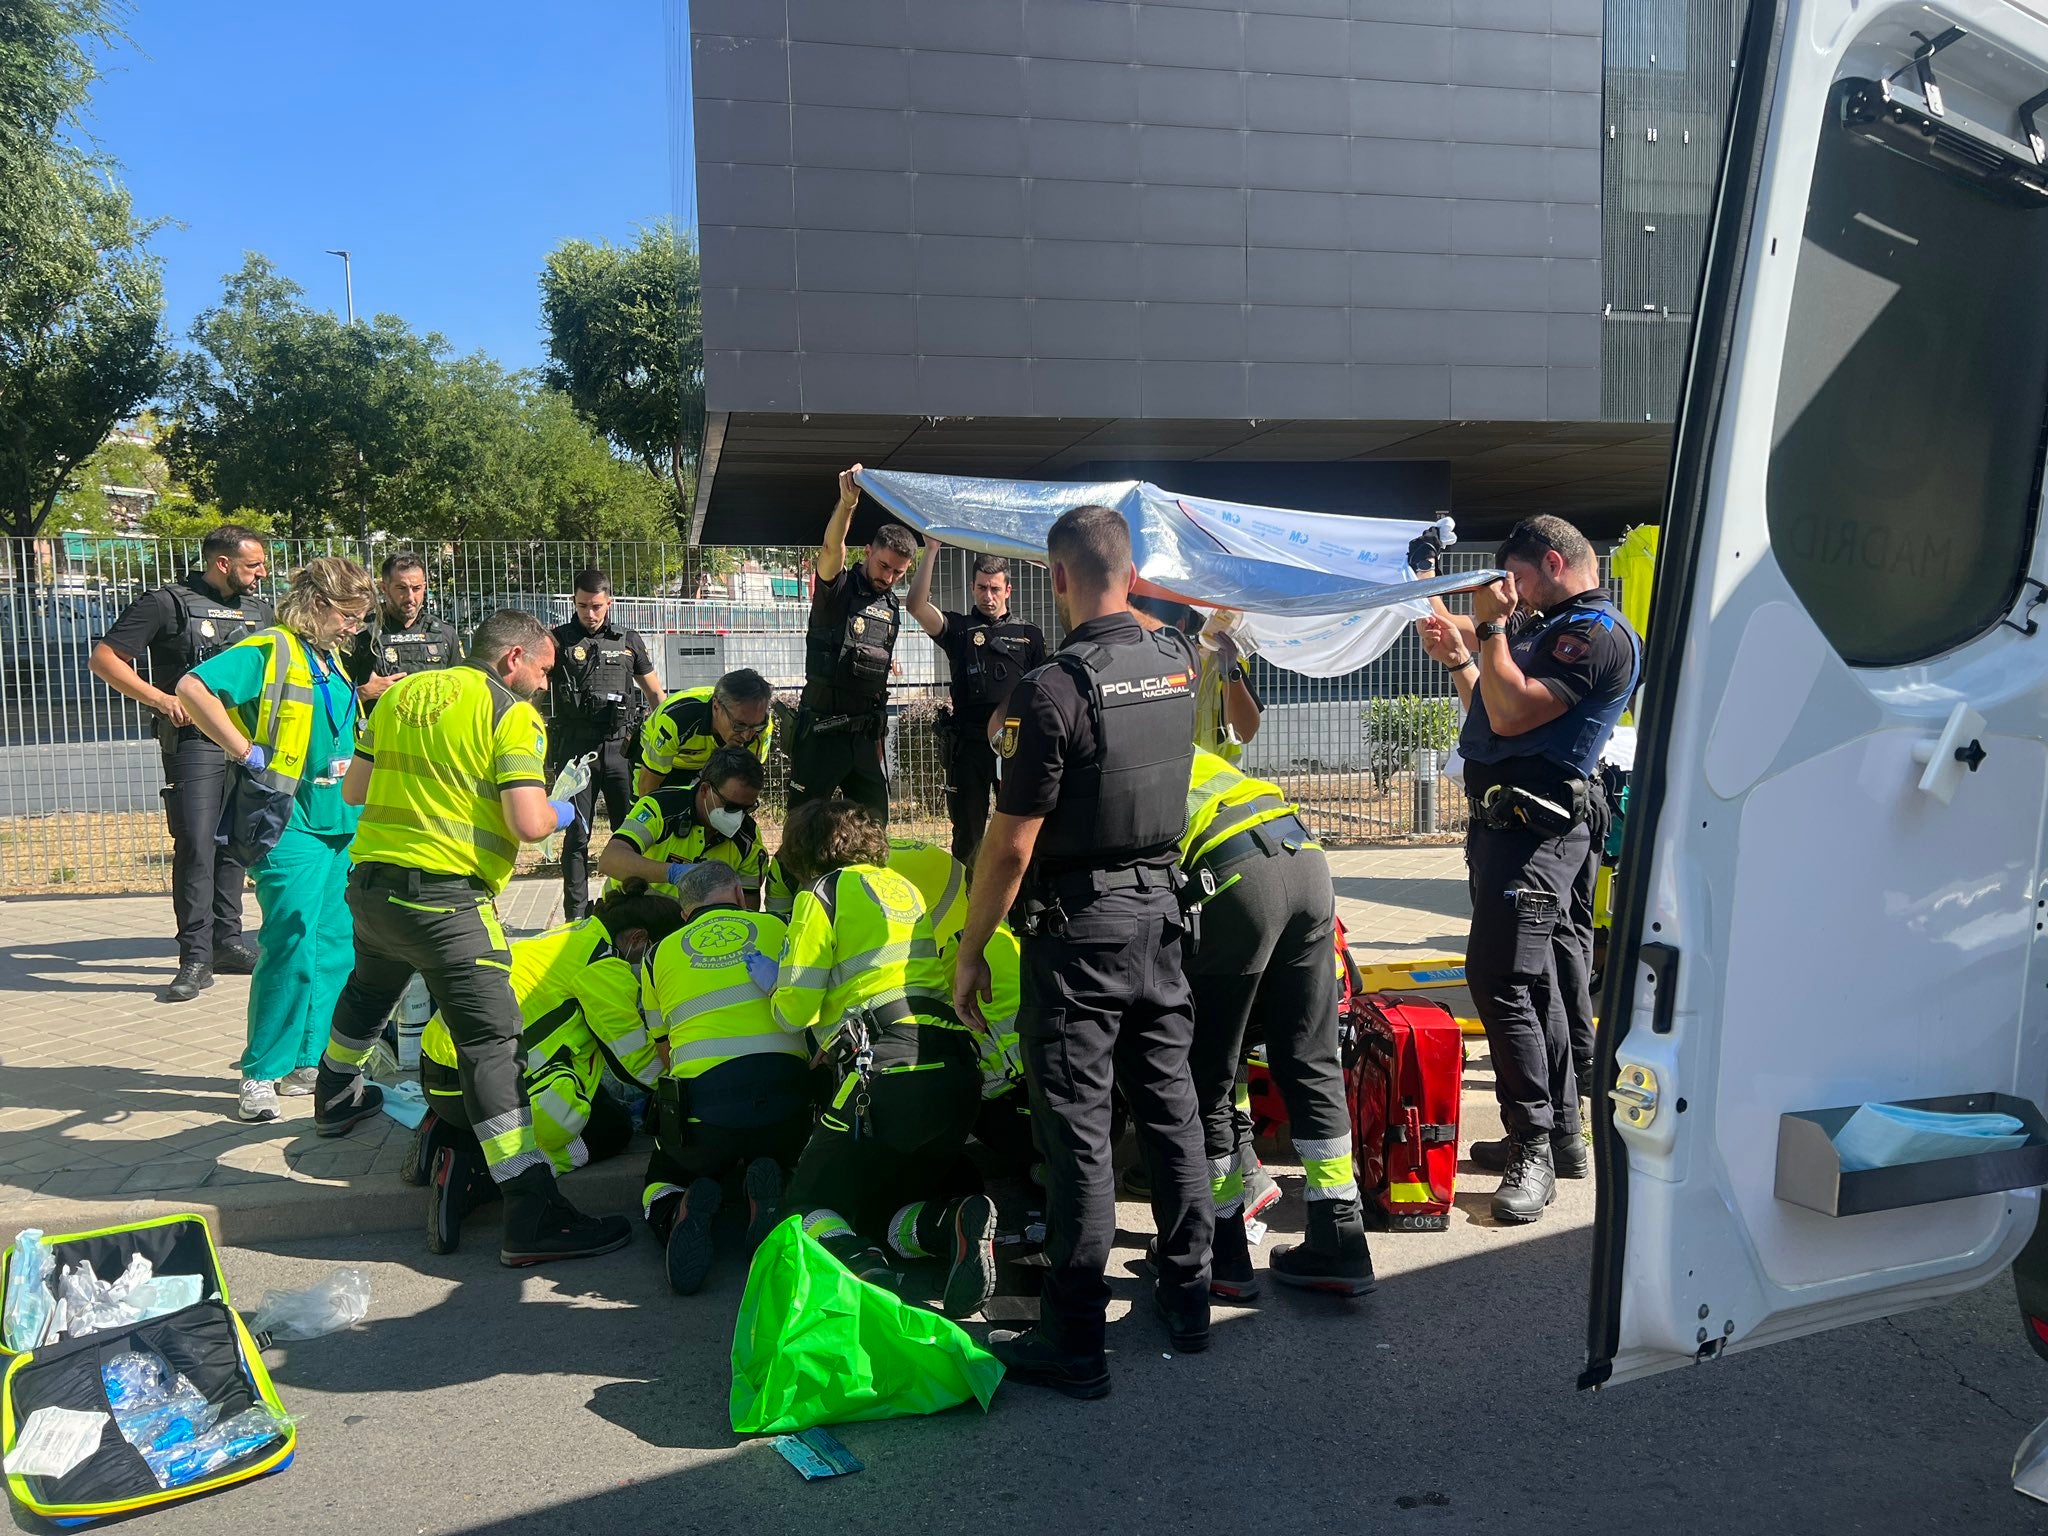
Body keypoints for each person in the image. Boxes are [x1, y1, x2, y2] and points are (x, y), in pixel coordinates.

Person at [953, 502, 1211, 1400]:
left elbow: (1012, 841)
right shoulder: (1178, 661)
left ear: (1055, 577)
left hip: (1081, 932)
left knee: (1078, 1133)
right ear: (1131, 572)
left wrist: (972, 946)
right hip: (1163, 916)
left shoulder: (1052, 687)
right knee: (1171, 1108)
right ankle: (1189, 1293)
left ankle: (1074, 1336)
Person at [312, 607, 633, 1268]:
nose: (545, 686)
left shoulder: (400, 694)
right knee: (492, 1048)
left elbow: (354, 791)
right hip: (447, 903)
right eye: (543, 670)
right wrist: (567, 806)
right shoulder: (509, 714)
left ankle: (334, 1095)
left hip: (373, 890)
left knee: (369, 991)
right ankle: (530, 1211)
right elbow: (528, 823)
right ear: (513, 658)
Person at [1416, 515, 1640, 1225]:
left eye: (1515, 575)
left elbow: (1511, 714)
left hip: (1539, 833)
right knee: (1534, 980)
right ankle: (1562, 1136)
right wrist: (1459, 645)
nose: (1508, 591)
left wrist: (1488, 634)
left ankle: (1533, 1145)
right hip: (1505, 827)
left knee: (1499, 979)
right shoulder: (1550, 625)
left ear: (1551, 560)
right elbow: (1488, 707)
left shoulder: (1593, 635)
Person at [774, 798, 997, 1319]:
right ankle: (953, 1222)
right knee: (888, 1205)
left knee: (804, 1206)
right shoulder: (903, 888)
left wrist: (775, 978)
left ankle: (869, 1274)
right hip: (954, 1069)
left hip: (884, 1072)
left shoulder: (822, 894)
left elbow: (795, 1008)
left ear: (803, 851)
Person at [175, 557, 374, 1123]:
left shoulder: (328, 656)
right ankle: (261, 1071)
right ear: (317, 604)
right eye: (348, 616)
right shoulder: (273, 647)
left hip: (339, 822)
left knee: (335, 943)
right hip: (288, 823)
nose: (352, 629)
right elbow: (193, 687)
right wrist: (243, 749)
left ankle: (310, 1062)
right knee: (289, 942)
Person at [1180, 748, 1373, 1298]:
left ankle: (1224, 1249)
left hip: (1231, 875)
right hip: (1306, 861)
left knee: (1209, 1071)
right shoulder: (1175, 733)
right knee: (1310, 1057)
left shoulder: (1110, 750)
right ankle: (1340, 1237)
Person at [415, 880, 683, 1255]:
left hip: (440, 1071)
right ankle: (476, 1174)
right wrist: (685, 1089)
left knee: (599, 1100)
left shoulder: (578, 933)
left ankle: (449, 1131)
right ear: (638, 940)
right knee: (610, 1128)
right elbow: (635, 1065)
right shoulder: (604, 968)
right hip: (473, 1088)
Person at [89, 524, 273, 1002]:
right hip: (193, 743)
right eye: (253, 564)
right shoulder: (167, 603)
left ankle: (228, 942)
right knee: (196, 842)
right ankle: (195, 956)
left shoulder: (259, 610)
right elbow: (105, 659)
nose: (262, 572)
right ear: (222, 563)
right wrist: (159, 699)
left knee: (235, 840)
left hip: (247, 742)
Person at [641, 863, 812, 1295]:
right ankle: (777, 1187)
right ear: (739, 894)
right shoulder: (779, 928)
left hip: (706, 1119)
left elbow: (665, 1051)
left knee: (660, 1174)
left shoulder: (657, 954)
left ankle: (676, 1207)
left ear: (685, 914)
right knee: (797, 1159)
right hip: (787, 1108)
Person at [905, 539, 1047, 867]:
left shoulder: (1030, 634)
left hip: (1014, 748)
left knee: (1021, 833)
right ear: (972, 588)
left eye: (995, 588)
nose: (988, 595)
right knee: (967, 835)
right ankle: (963, 906)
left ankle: (1021, 907)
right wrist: (931, 550)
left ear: (1008, 589)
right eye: (982, 587)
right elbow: (915, 605)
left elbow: (1043, 693)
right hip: (968, 749)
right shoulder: (959, 628)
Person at [789, 465, 917, 824]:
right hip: (821, 733)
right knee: (803, 827)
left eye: (897, 573)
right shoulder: (838, 588)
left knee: (875, 826)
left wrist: (875, 737)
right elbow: (832, 546)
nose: (888, 577)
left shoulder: (891, 606)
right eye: (883, 565)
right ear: (867, 551)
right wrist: (847, 504)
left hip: (862, 740)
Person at [548, 569, 663, 920]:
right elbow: (535, 693)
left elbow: (656, 694)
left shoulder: (628, 639)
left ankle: (631, 910)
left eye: (597, 606)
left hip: (619, 750)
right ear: (574, 602)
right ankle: (576, 918)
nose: (590, 614)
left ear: (609, 602)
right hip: (575, 754)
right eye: (583, 606)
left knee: (628, 835)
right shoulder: (557, 641)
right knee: (577, 838)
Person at [596, 746, 770, 904]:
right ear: (705, 790)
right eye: (731, 806)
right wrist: (673, 872)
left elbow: (748, 906)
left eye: (747, 808)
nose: (738, 817)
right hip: (628, 911)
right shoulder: (661, 806)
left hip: (692, 929)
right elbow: (609, 860)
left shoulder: (749, 838)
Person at [764, 832, 967, 953]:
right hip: (947, 884)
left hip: (950, 908)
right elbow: (781, 927)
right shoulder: (785, 867)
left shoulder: (854, 878)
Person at [1133, 597, 1261, 760]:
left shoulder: (1214, 663)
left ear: (1179, 626)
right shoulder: (1126, 667)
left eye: (1148, 627)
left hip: (1209, 778)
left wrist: (1231, 672)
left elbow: (1244, 732)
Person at [345, 552, 460, 710]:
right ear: (384, 588)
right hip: (383, 732)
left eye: (417, 588)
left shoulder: (444, 634)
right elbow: (333, 698)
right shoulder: (361, 633)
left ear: (425, 586)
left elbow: (462, 691)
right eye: (401, 588)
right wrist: (364, 693)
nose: (410, 597)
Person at [636, 666, 774, 796]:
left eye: (756, 726)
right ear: (716, 706)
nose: (747, 736)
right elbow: (647, 788)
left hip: (703, 764)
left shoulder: (762, 726)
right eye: (739, 725)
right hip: (655, 758)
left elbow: (746, 783)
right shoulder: (678, 719)